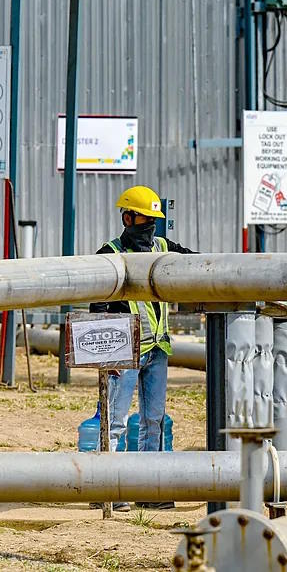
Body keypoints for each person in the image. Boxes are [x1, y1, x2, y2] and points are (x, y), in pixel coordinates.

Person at [89, 185, 195, 512]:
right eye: (142, 218)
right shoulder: (110, 254)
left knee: (153, 420)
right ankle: (108, 489)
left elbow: (195, 263)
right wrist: (107, 358)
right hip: (124, 351)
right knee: (116, 420)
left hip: (157, 348)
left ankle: (149, 488)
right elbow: (98, 309)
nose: (147, 225)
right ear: (127, 217)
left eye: (151, 219)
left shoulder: (163, 247)